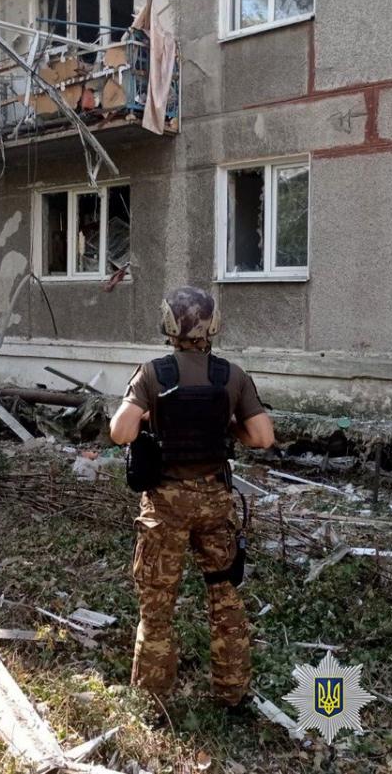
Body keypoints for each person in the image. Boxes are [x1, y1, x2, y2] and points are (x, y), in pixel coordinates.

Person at [109, 286, 275, 711]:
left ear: (168, 325)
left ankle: (153, 703)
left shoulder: (153, 373)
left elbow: (121, 432)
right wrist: (228, 425)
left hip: (164, 507)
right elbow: (262, 437)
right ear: (213, 326)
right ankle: (232, 696)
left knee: (157, 606)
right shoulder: (232, 376)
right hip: (215, 503)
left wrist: (150, 416)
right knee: (225, 598)